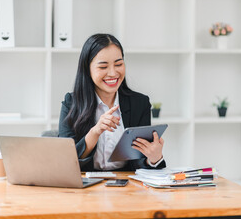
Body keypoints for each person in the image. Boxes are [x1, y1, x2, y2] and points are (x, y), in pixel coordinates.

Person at [59, 33, 166, 171]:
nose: (112, 73)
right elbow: (64, 160)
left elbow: (138, 163)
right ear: (87, 69)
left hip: (126, 188)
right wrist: (95, 132)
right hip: (84, 188)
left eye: (119, 64)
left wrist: (154, 158)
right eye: (103, 67)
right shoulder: (71, 103)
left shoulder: (140, 103)